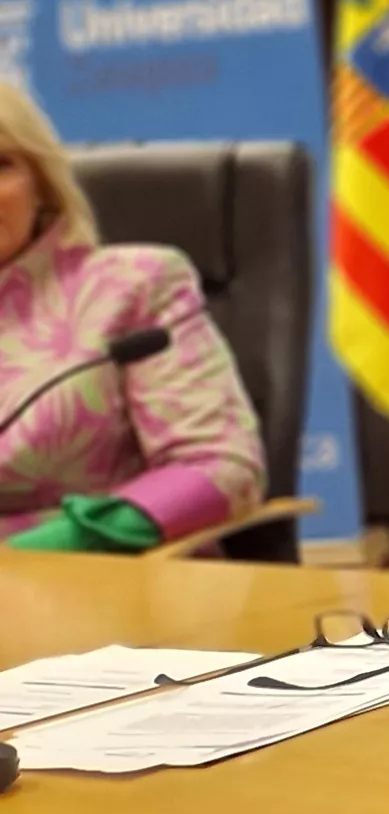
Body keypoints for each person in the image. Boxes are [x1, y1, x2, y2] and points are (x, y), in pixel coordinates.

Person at [0, 77, 267, 553]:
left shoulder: (135, 286)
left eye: (1, 165)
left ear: (41, 183)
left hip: (106, 581)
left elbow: (220, 464)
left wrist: (56, 543)